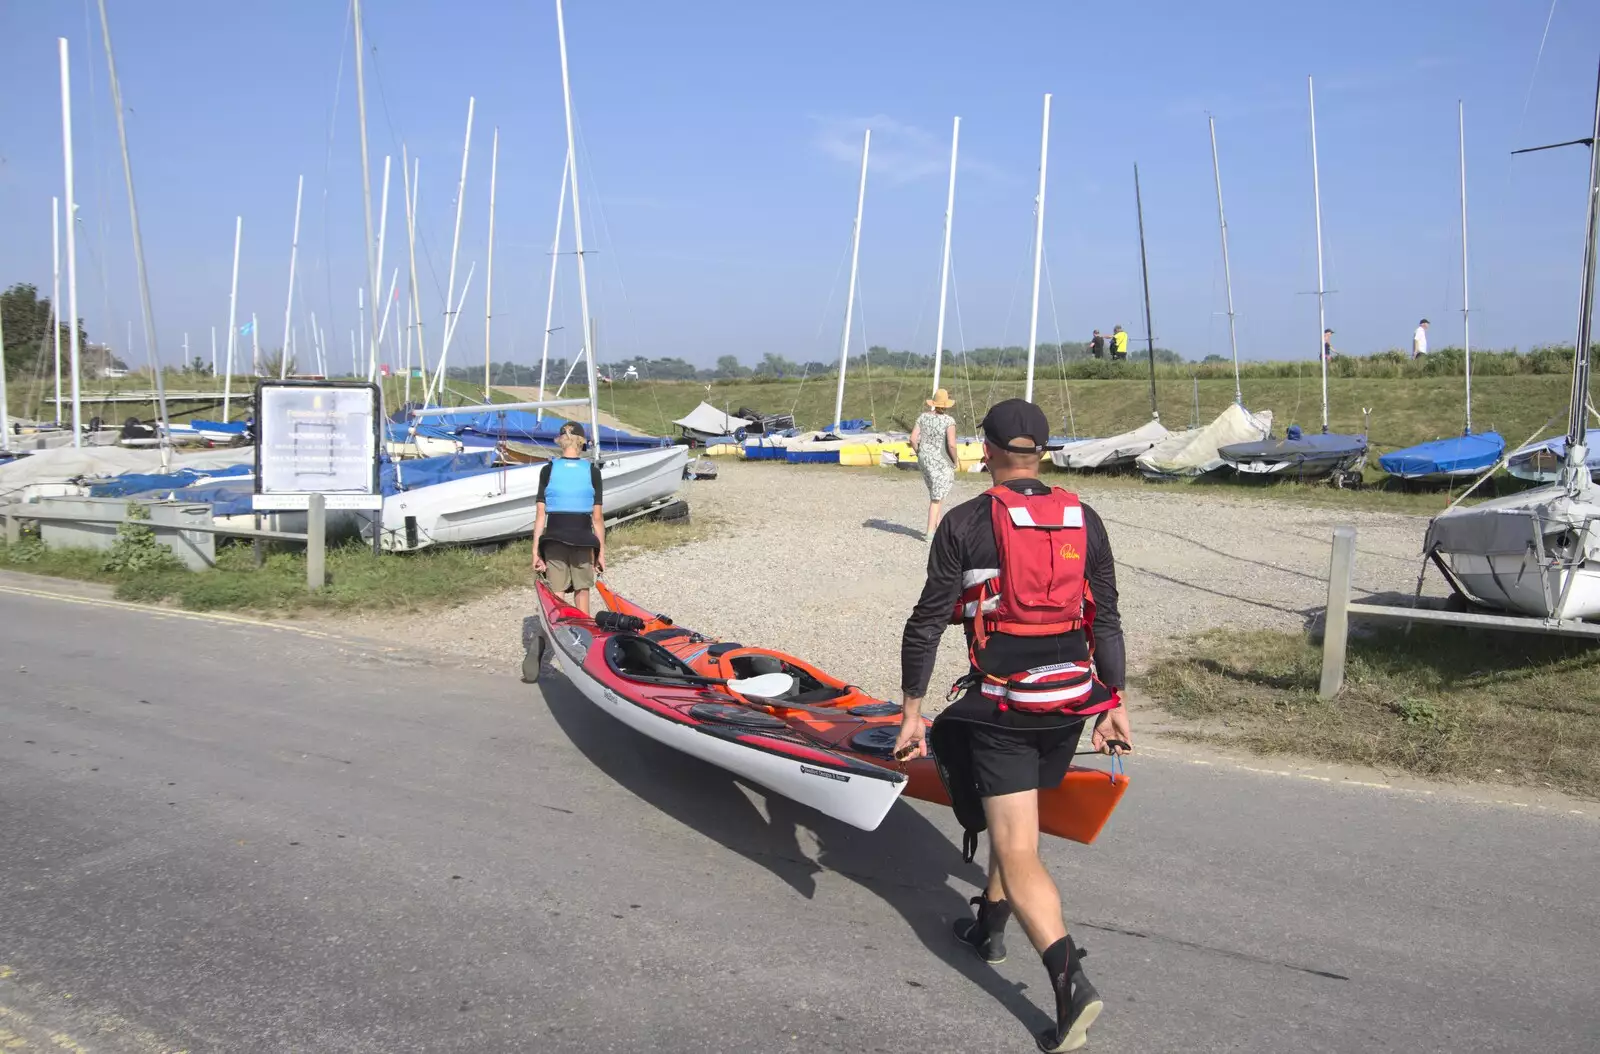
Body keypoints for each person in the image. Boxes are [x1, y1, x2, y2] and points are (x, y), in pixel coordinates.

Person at [894, 398, 1131, 1053]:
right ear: (1043, 451)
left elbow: (925, 622)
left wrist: (913, 711)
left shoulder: (967, 524)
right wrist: (1112, 702)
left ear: (986, 450)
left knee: (1019, 846)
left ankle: (1069, 982)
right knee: (1014, 817)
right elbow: (1104, 617)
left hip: (1004, 707)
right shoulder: (1085, 518)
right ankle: (990, 926)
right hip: (1069, 703)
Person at [531, 421, 606, 615]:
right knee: (582, 588)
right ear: (582, 443)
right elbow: (597, 519)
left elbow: (540, 516)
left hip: (554, 538)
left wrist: (535, 552)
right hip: (583, 538)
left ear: (560, 442)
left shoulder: (548, 470)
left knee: (557, 591)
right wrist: (601, 554)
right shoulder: (592, 472)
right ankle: (585, 631)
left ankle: (559, 631)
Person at [910, 388, 961, 542]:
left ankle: (938, 526)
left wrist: (919, 452)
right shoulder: (948, 421)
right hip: (941, 459)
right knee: (937, 498)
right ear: (946, 405)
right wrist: (955, 460)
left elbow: (913, 438)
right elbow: (951, 445)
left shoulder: (923, 417)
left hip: (924, 458)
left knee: (935, 492)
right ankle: (930, 532)